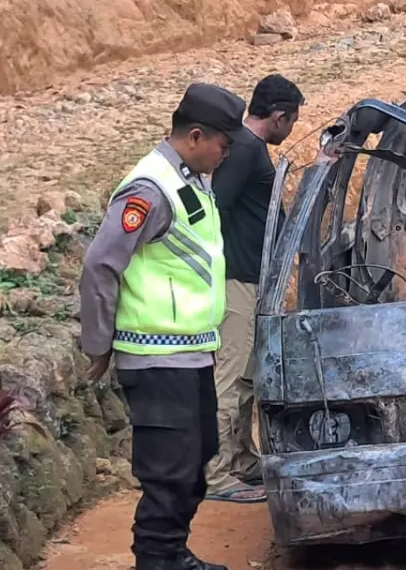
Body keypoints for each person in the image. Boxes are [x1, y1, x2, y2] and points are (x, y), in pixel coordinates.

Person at [78, 82, 245, 570]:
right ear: (195, 136)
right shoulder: (148, 189)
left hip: (192, 351)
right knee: (169, 473)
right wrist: (99, 344)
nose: (226, 153)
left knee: (199, 459)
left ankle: (172, 554)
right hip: (155, 358)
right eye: (223, 144)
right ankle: (156, 560)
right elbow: (100, 266)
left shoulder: (192, 180)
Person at [204, 74, 305, 503]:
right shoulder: (246, 149)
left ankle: (243, 458)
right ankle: (216, 474)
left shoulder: (248, 148)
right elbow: (215, 207)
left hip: (249, 278)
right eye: (294, 120)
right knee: (230, 377)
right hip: (238, 278)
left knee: (245, 375)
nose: (293, 128)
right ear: (279, 116)